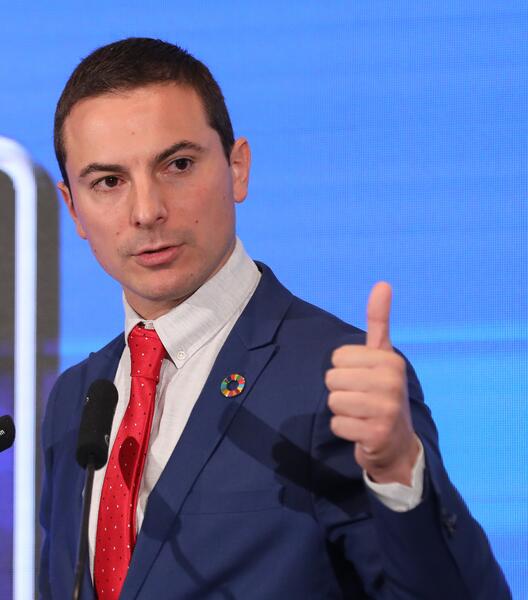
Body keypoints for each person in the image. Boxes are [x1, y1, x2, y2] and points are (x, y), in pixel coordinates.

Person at [40, 37, 510, 599]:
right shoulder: (77, 399)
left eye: (179, 165)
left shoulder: (336, 381)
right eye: (108, 182)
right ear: (74, 209)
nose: (147, 211)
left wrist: (398, 475)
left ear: (237, 168)